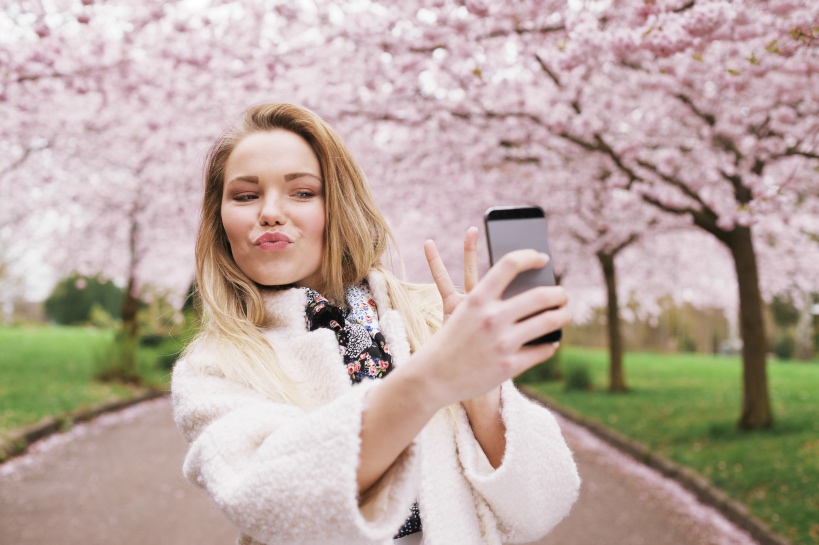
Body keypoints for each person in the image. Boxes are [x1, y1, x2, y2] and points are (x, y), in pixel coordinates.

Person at [171, 103, 580, 545]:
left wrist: (483, 394)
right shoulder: (213, 366)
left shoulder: (429, 319)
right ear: (220, 219)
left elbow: (543, 505)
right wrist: (433, 380)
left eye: (303, 192)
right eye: (246, 196)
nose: (269, 212)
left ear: (339, 205)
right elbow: (275, 499)